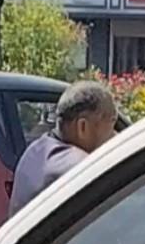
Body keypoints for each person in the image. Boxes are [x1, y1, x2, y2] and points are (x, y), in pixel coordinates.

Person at [8, 81, 118, 218]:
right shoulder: (79, 168)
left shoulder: (36, 150)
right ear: (83, 127)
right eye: (112, 122)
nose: (115, 135)